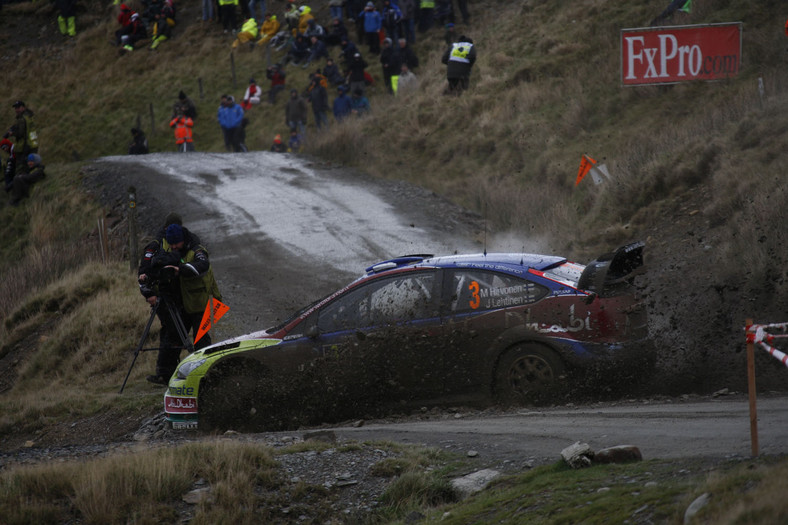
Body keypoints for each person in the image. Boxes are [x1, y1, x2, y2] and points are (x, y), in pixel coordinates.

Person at [137, 217, 222, 385]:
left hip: (201, 303)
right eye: (172, 244)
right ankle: (165, 375)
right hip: (180, 304)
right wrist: (150, 277)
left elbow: (202, 267)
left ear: (183, 239)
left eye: (176, 244)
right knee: (172, 336)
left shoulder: (197, 249)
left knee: (202, 341)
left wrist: (179, 270)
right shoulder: (168, 250)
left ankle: (205, 376)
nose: (174, 247)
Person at [4, 101, 38, 175]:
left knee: (21, 169)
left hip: (24, 146)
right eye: (16, 108)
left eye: (18, 108)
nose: (16, 110)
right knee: (32, 167)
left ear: (23, 108)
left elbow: (20, 134)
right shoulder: (30, 116)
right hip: (33, 144)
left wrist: (11, 133)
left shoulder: (22, 119)